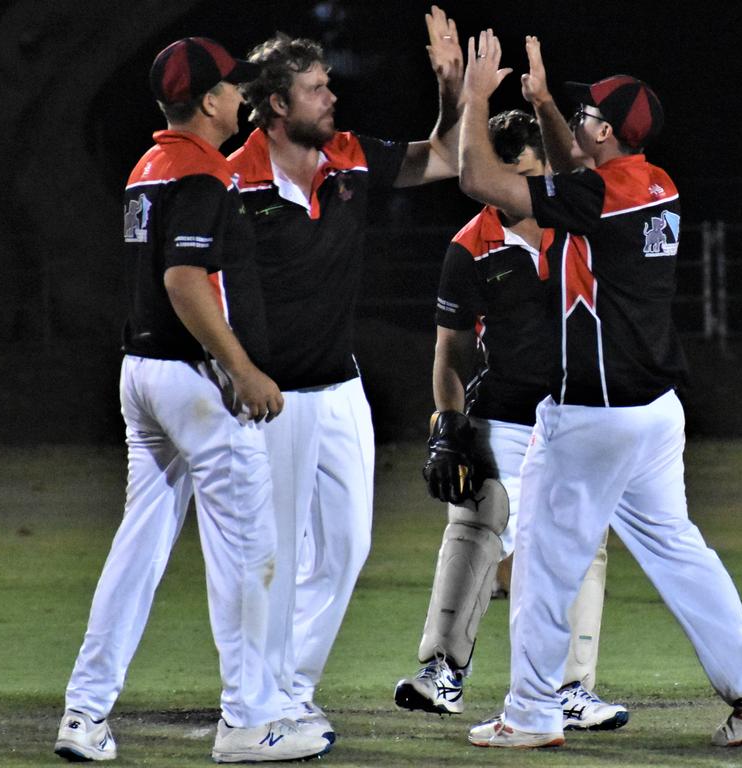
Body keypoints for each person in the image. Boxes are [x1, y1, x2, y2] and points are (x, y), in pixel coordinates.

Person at [457, 31, 742, 750]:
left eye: (586, 116)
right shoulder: (658, 183)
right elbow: (576, 170)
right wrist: (546, 102)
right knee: (678, 550)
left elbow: (480, 184)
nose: (576, 123)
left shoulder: (599, 196)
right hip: (654, 415)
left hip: (593, 417)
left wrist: (476, 98)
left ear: (606, 131)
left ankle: (531, 713)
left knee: (545, 568)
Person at [54, 38, 332, 763]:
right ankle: (247, 722)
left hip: (141, 375)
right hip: (193, 381)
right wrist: (240, 367)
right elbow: (184, 280)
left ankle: (84, 714)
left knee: (139, 549)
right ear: (208, 101)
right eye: (233, 87)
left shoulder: (149, 166)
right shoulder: (203, 171)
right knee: (248, 551)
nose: (241, 95)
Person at [227, 7, 463, 740]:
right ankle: (262, 701)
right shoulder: (232, 180)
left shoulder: (352, 157)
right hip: (271, 399)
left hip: (340, 390)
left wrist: (454, 89)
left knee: (347, 547)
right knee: (276, 556)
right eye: (317, 89)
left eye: (329, 85)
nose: (332, 98)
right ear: (275, 105)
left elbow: (449, 156)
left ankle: (290, 688)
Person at [393, 109, 628, 732]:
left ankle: (571, 689)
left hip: (574, 413)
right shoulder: (470, 246)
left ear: (546, 167)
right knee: (478, 518)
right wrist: (449, 424)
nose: (507, 189)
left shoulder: (580, 230)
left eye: (521, 171)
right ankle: (443, 672)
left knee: (584, 544)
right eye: (498, 175)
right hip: (503, 416)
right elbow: (450, 352)